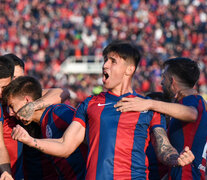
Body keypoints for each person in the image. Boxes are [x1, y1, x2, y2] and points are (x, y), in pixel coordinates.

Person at [11, 41, 194, 179]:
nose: (105, 65)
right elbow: (65, 146)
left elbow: (163, 147)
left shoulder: (148, 107)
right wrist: (31, 140)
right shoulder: (90, 103)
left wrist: (176, 158)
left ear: (129, 69)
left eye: (113, 61)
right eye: (105, 60)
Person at [115, 57, 207, 179]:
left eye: (164, 77)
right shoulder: (193, 102)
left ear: (172, 80)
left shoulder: (192, 100)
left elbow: (191, 114)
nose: (161, 82)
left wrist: (150, 103)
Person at [0, 54, 71, 180]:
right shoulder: (5, 105)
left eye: (20, 78)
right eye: (14, 78)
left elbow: (62, 92)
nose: (17, 83)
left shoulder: (25, 99)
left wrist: (32, 106)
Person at [3, 76, 87, 180]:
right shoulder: (42, 125)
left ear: (27, 100)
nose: (10, 112)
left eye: (11, 106)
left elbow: (92, 137)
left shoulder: (58, 112)